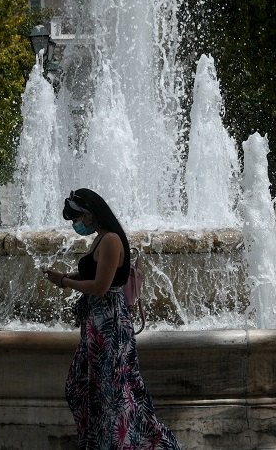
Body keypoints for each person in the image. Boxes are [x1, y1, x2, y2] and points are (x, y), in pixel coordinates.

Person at [42, 188, 183, 450]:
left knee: (113, 393)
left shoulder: (110, 240)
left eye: (77, 219)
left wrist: (64, 281)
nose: (76, 225)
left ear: (90, 214)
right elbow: (94, 274)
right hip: (97, 323)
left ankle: (138, 444)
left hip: (110, 323)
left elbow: (100, 287)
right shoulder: (101, 238)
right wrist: (64, 276)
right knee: (87, 388)